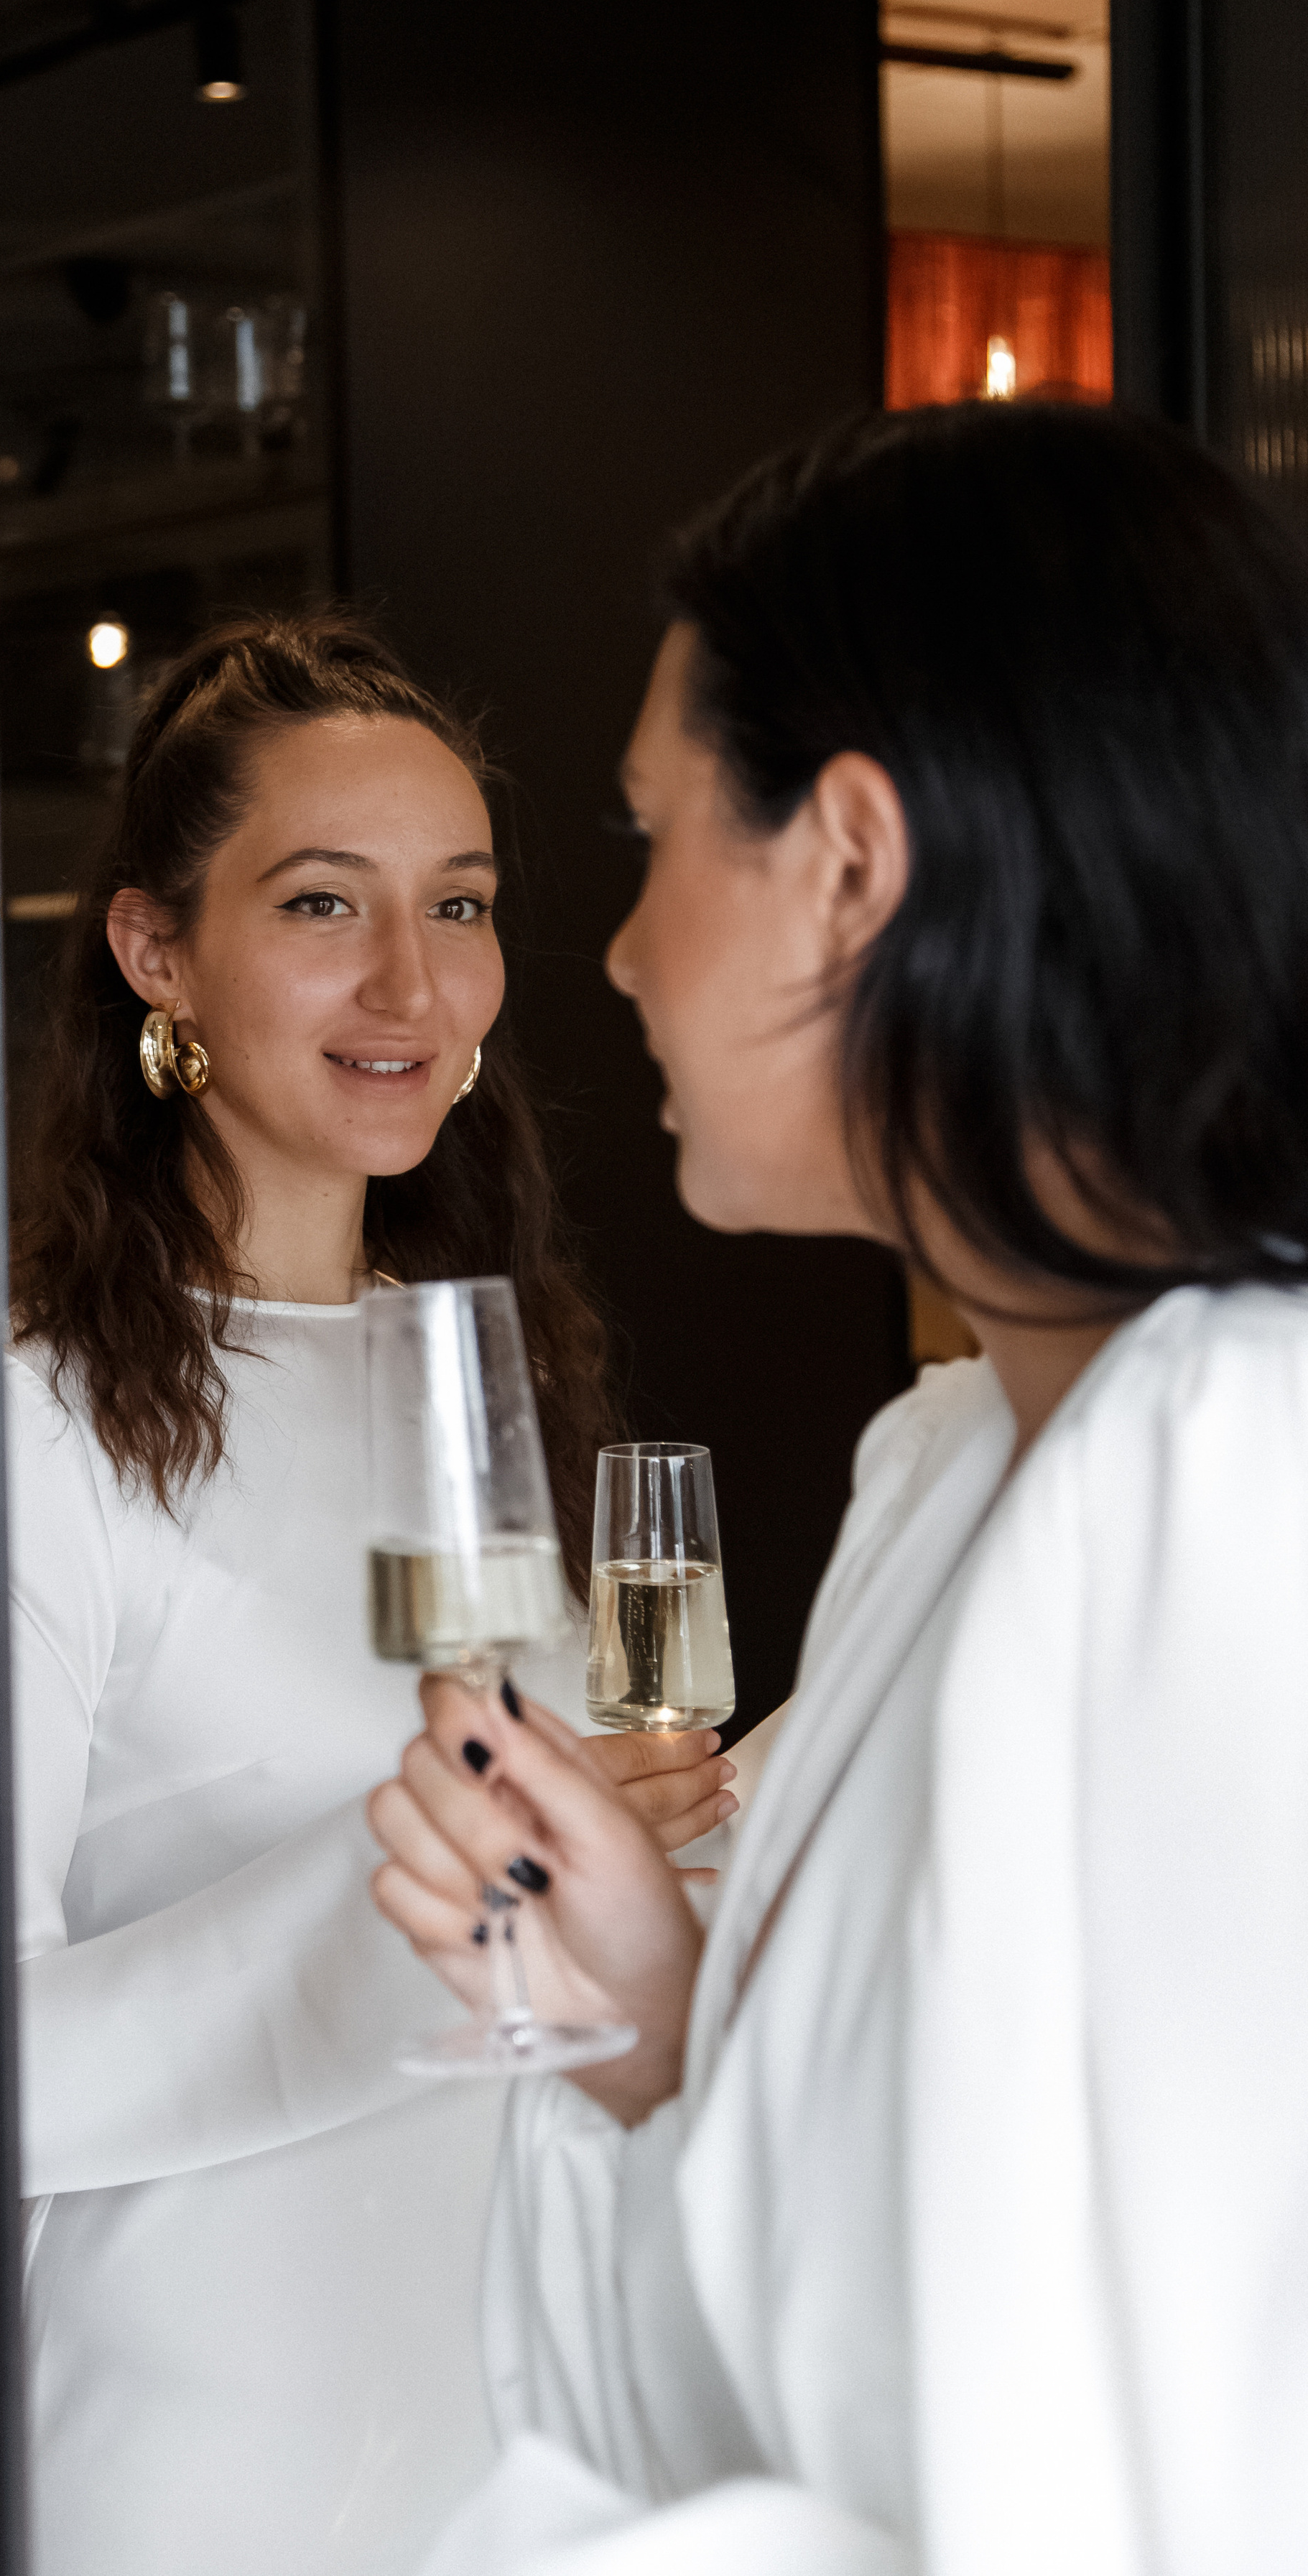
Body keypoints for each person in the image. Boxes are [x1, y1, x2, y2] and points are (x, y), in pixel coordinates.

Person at [367, 404, 1308, 2574]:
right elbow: (860, 2371)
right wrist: (660, 2028)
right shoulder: (953, 1469)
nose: (617, 954)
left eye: (656, 835)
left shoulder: (1227, 1489)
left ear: (853, 866)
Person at [5, 615, 740, 2576]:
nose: (413, 981)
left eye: (461, 904)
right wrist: (424, 1866)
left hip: (507, 2417)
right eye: (324, 902)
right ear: (157, 951)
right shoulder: (33, 1421)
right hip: (204, 2457)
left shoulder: (484, 1373)